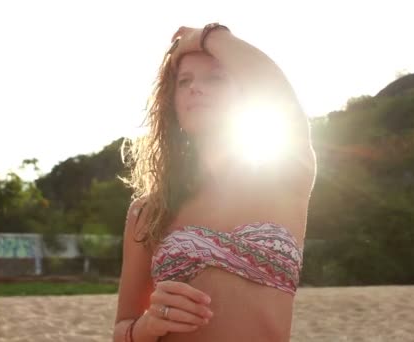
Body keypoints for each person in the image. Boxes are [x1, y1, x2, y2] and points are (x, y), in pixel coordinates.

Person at [113, 23, 317, 342]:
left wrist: (206, 36)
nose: (196, 88)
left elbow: (278, 93)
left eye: (215, 78)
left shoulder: (284, 180)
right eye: (184, 81)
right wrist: (148, 325)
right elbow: (122, 329)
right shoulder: (149, 211)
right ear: (172, 102)